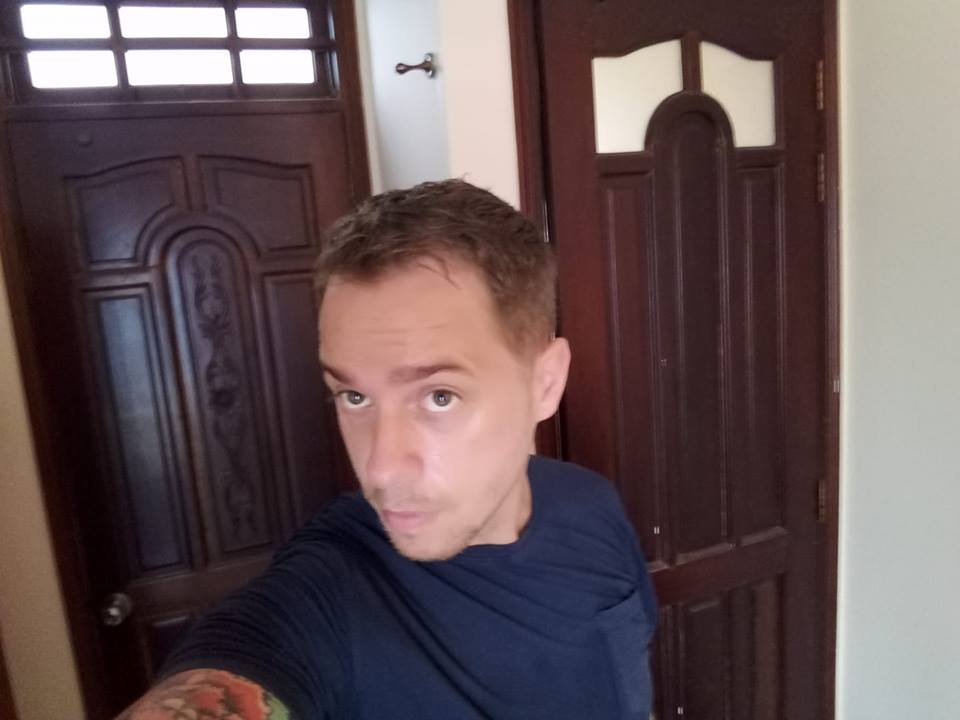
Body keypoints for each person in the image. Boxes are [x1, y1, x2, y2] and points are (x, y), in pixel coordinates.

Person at [118, 179, 657, 720]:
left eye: (439, 396)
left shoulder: (592, 505)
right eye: (353, 396)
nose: (380, 469)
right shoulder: (331, 591)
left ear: (545, 383)